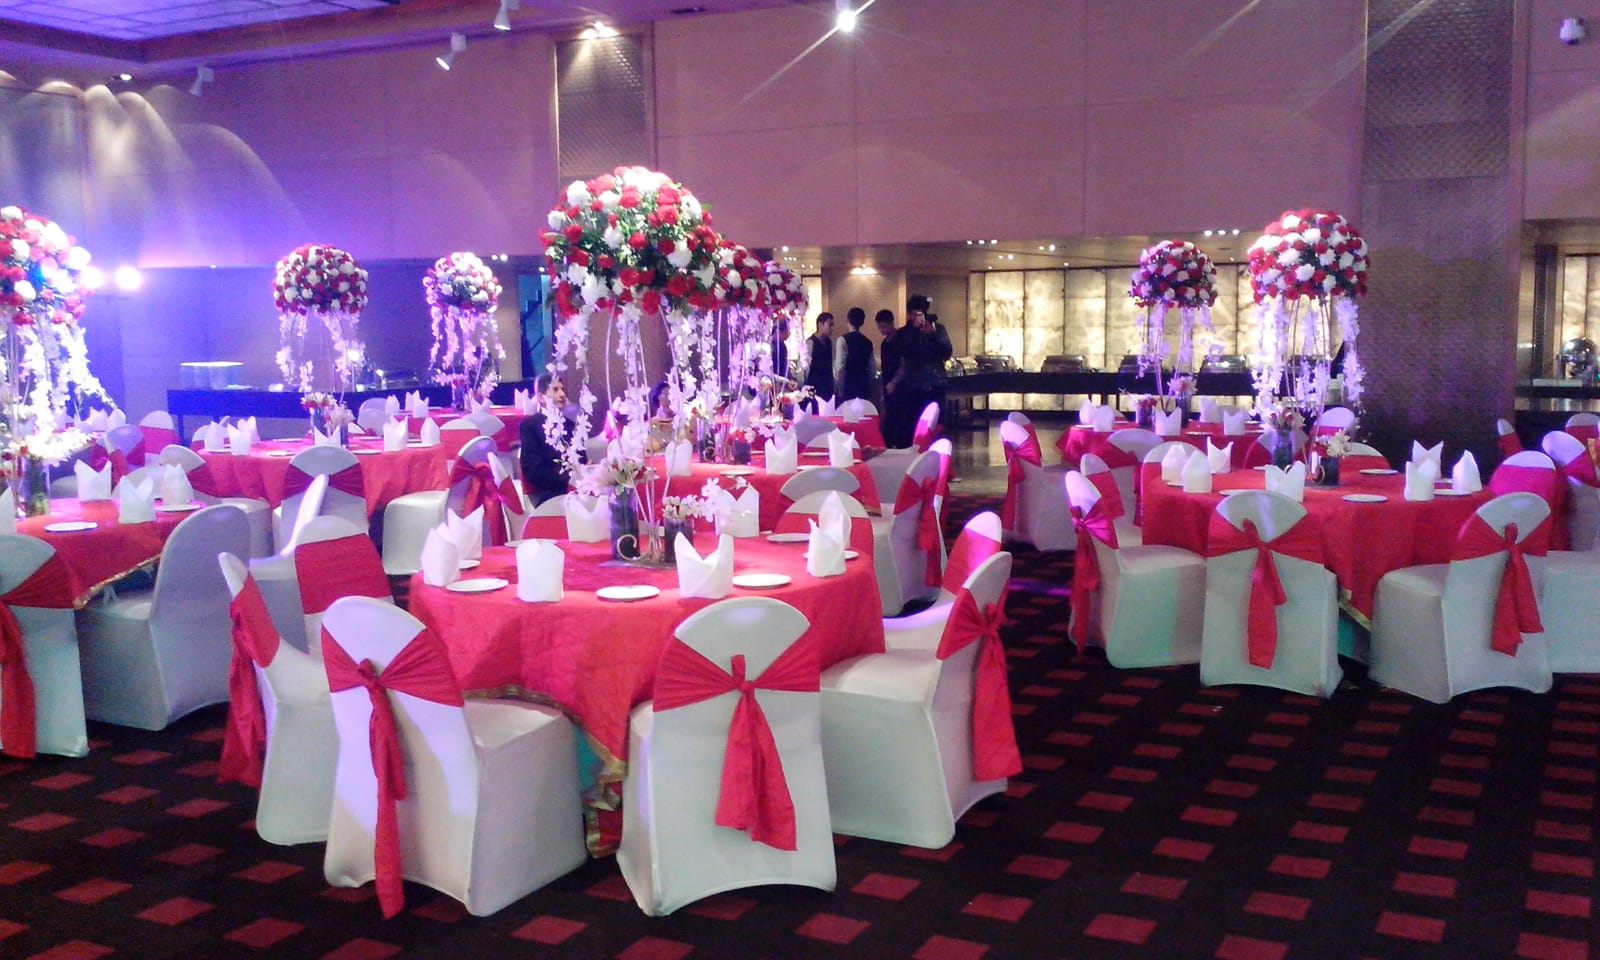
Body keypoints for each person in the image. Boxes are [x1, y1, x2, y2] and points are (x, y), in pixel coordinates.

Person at [518, 373, 575, 507]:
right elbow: (533, 471)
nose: (562, 394)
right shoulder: (530, 426)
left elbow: (582, 459)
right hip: (549, 494)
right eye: (555, 390)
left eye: (562, 389)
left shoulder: (570, 424)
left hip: (576, 489)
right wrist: (568, 477)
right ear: (541, 397)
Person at [877, 309, 909, 446]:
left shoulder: (901, 340)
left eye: (884, 326)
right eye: (879, 327)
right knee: (889, 420)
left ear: (891, 323)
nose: (882, 330)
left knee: (900, 420)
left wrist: (894, 382)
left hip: (901, 387)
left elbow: (904, 364)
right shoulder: (884, 343)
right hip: (888, 386)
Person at [835, 306, 875, 402]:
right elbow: (871, 369)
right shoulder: (868, 342)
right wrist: (869, 385)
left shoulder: (842, 340)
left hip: (848, 386)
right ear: (862, 322)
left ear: (848, 320)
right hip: (863, 385)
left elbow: (840, 367)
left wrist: (839, 388)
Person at [802, 312, 836, 409]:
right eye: (830, 325)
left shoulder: (829, 342)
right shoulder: (810, 343)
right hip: (814, 388)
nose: (832, 328)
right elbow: (805, 368)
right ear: (820, 324)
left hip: (827, 388)